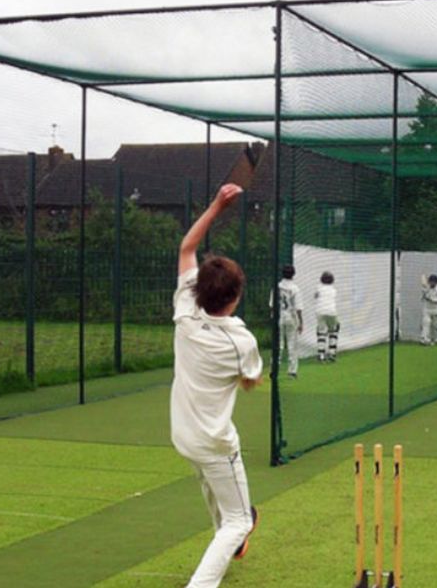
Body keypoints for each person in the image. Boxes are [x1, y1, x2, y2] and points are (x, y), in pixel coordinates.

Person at [171, 184, 262, 588]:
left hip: (182, 435)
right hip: (213, 440)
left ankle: (227, 539)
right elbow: (250, 383)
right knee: (241, 519)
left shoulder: (186, 307)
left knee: (214, 489)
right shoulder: (240, 340)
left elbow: (187, 247)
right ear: (235, 296)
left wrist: (217, 206)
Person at [270, 264, 303, 378]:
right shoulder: (295, 288)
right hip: (291, 317)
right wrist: (301, 322)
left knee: (278, 344)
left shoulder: (277, 286)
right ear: (293, 274)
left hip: (279, 317)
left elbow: (272, 304)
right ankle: (292, 371)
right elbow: (298, 308)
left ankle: (274, 368)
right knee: (292, 344)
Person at [314, 271, 340, 362]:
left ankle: (321, 354)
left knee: (321, 332)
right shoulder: (333, 289)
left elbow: (316, 296)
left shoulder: (319, 288)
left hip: (320, 311)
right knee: (333, 331)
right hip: (332, 311)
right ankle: (332, 353)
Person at [421, 274, 437, 346]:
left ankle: (433, 339)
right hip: (427, 310)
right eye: (431, 281)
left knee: (434, 325)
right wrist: (424, 294)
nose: (432, 283)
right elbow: (423, 297)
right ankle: (424, 339)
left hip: (435, 310)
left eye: (434, 282)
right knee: (426, 323)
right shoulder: (427, 288)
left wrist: (430, 299)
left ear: (436, 282)